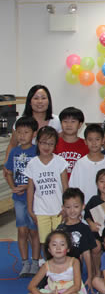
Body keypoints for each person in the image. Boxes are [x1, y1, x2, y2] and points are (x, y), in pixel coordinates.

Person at [25, 126, 68, 254]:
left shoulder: (60, 162)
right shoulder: (32, 164)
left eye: (51, 144)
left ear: (55, 145)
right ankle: (47, 262)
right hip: (41, 209)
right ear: (37, 143)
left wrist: (66, 207)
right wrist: (30, 209)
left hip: (59, 209)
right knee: (44, 240)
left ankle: (60, 262)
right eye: (43, 142)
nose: (46, 146)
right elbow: (30, 189)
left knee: (60, 239)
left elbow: (65, 186)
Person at [5, 117, 39, 277]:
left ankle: (36, 261)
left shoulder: (37, 151)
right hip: (19, 199)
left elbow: (40, 175)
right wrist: (13, 187)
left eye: (26, 132)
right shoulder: (14, 151)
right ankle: (25, 262)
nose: (22, 135)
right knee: (22, 231)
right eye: (19, 132)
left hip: (34, 198)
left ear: (34, 134)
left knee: (34, 232)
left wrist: (28, 186)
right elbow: (8, 172)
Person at [24, 230, 88, 294]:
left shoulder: (74, 262)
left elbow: (76, 286)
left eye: (62, 244)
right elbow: (31, 286)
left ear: (68, 249)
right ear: (49, 250)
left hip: (69, 292)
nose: (58, 248)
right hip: (52, 292)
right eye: (54, 245)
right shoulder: (46, 265)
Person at [4, 85, 61, 162]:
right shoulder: (21, 121)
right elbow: (12, 145)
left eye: (43, 98)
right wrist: (7, 164)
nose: (40, 101)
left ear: (49, 101)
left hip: (49, 164)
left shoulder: (57, 121)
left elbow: (61, 146)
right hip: (24, 165)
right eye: (36, 98)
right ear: (30, 102)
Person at [57, 188, 97, 292]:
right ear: (63, 208)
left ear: (83, 207)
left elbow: (87, 254)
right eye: (68, 207)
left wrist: (90, 276)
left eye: (76, 207)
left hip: (73, 268)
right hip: (59, 265)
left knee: (71, 291)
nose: (72, 210)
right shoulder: (60, 229)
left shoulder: (84, 229)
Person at [69, 124, 105, 202]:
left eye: (97, 139)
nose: (94, 143)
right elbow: (73, 188)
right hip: (84, 206)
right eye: (90, 140)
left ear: (103, 140)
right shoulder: (80, 163)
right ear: (85, 141)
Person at [54, 107, 88, 178]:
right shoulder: (53, 144)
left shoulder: (86, 145)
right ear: (61, 123)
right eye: (65, 121)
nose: (69, 125)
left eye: (73, 121)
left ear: (80, 124)